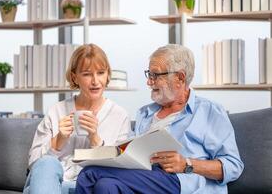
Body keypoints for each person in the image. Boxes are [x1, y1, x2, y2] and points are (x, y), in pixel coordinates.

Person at [74, 44, 244, 194]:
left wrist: (187, 164)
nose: (149, 82)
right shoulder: (144, 114)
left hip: (181, 183)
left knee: (90, 173)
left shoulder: (208, 111)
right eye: (149, 74)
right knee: (105, 186)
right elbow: (128, 152)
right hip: (145, 179)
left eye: (155, 75)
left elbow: (233, 166)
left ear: (180, 78)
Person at [23, 43, 132, 194]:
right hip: (48, 183)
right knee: (47, 163)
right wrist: (58, 141)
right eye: (87, 74)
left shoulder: (119, 115)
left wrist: (95, 139)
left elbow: (121, 170)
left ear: (107, 74)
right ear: (75, 77)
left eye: (100, 72)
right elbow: (34, 165)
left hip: (87, 187)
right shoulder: (57, 111)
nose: (95, 81)